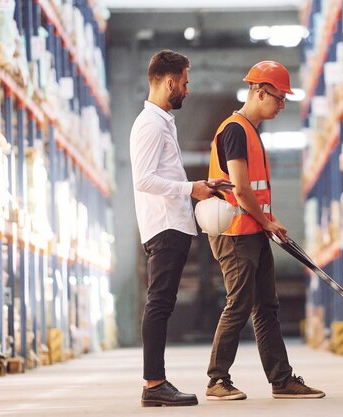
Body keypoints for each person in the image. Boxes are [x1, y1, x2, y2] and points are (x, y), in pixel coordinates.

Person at [205, 61, 325, 400]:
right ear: (260, 92)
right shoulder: (235, 130)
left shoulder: (250, 131)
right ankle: (217, 380)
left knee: (266, 307)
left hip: (253, 231)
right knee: (240, 304)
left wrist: (266, 224)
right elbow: (241, 190)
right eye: (279, 98)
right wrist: (268, 221)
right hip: (236, 234)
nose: (282, 105)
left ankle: (282, 380)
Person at [129, 49, 228, 407]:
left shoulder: (161, 122)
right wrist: (191, 189)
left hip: (174, 223)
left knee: (163, 304)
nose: (187, 89)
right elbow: (143, 180)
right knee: (159, 304)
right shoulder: (150, 124)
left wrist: (202, 186)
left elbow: (164, 175)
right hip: (165, 226)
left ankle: (155, 382)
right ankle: (154, 384)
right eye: (184, 83)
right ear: (170, 82)